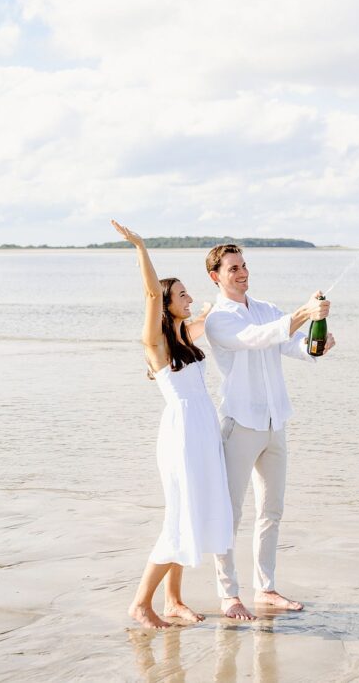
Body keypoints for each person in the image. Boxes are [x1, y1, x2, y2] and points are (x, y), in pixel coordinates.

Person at [113, 220, 234, 630]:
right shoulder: (157, 343)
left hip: (202, 431)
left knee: (194, 514)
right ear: (165, 303)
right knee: (179, 518)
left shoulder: (185, 336)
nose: (190, 298)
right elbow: (150, 291)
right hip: (181, 434)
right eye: (182, 294)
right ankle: (141, 604)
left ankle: (174, 599)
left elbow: (216, 315)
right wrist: (141, 247)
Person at [203, 243, 334, 620]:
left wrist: (318, 339)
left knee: (271, 510)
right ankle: (229, 594)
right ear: (216, 276)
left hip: (276, 423)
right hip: (240, 424)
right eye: (233, 269)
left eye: (244, 265)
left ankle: (266, 588)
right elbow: (257, 338)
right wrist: (302, 312)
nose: (242, 273)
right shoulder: (218, 319)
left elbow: (296, 347)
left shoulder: (265, 308)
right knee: (230, 513)